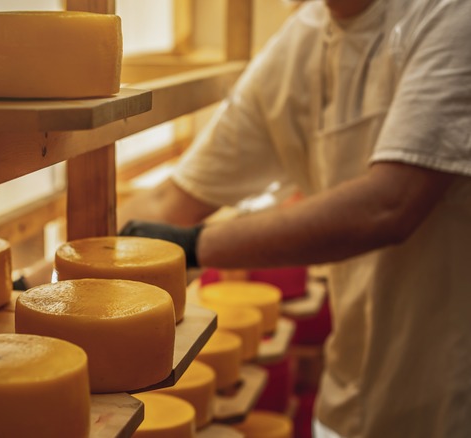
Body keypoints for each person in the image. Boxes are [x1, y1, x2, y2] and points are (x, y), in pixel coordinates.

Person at [118, 0, 471, 437]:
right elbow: (174, 197)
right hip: (351, 389)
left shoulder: (452, 15)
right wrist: (47, 276)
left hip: (453, 393)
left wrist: (192, 246)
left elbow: (391, 204)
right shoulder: (303, 37)